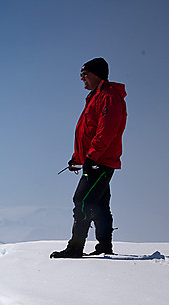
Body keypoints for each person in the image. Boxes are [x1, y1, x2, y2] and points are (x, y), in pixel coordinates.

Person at [51, 57, 127, 258]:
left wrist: (91, 157)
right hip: (96, 160)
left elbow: (106, 131)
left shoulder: (109, 96)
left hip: (100, 162)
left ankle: (75, 247)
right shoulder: (96, 96)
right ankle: (104, 246)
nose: (82, 79)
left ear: (96, 75)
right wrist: (77, 158)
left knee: (82, 200)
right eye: (81, 75)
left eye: (84, 75)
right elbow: (88, 131)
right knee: (99, 203)